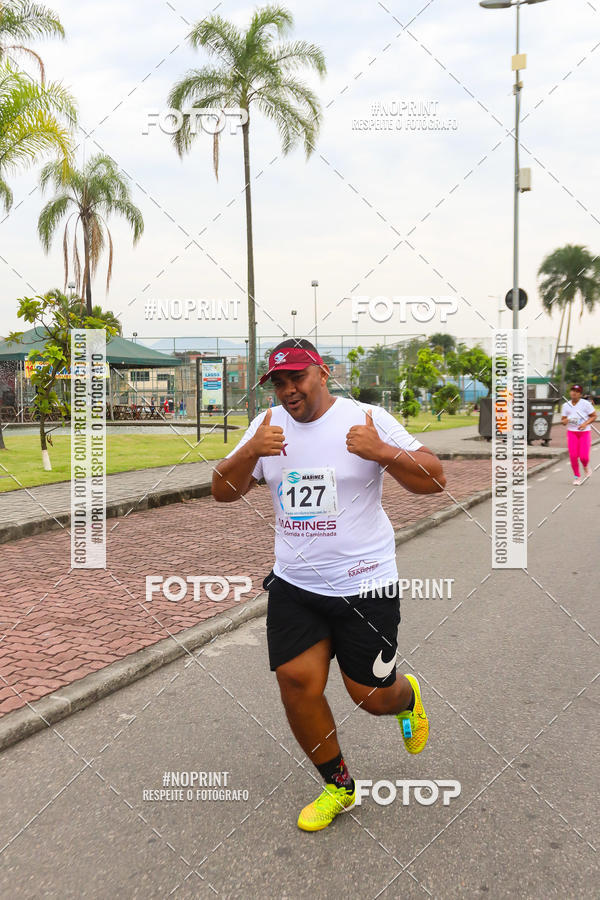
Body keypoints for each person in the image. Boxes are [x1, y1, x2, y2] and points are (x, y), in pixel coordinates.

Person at [212, 340, 446, 832]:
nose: (288, 390)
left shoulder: (367, 418)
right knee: (296, 682)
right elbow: (221, 491)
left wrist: (382, 452)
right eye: (278, 382)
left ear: (323, 372)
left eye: (296, 377)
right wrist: (250, 452)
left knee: (370, 697)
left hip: (366, 585)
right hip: (296, 585)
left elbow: (435, 479)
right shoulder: (265, 426)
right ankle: (339, 786)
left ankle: (406, 697)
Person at [561, 384, 597, 485]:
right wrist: (566, 420)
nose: (574, 393)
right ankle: (577, 477)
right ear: (570, 392)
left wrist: (585, 424)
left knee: (584, 457)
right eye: (573, 390)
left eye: (577, 391)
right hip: (572, 433)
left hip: (584, 433)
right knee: (573, 456)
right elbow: (563, 421)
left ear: (580, 394)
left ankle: (585, 466)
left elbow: (594, 416)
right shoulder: (565, 405)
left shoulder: (586, 404)